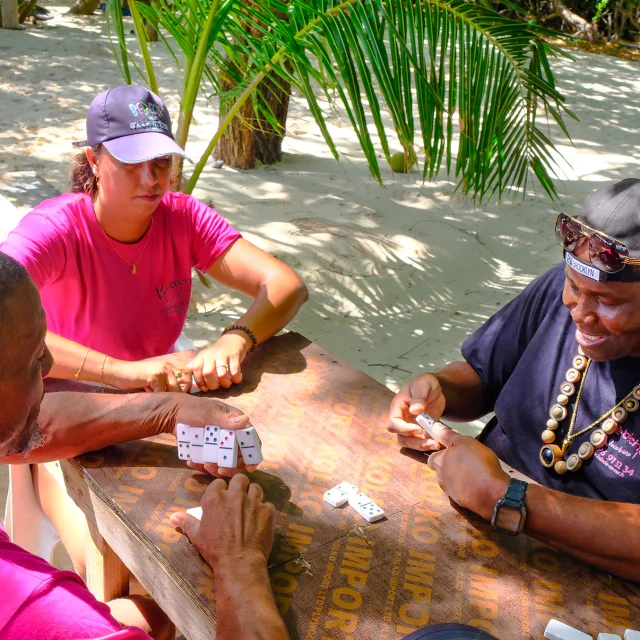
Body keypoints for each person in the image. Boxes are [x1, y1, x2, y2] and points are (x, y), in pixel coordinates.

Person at [0, 258, 495, 640]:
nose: (48, 364)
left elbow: (33, 424)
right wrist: (238, 563)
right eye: (30, 358)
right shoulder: (29, 603)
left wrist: (168, 411)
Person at [388, 178, 640, 582]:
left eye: (606, 302)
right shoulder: (561, 299)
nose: (578, 312)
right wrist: (436, 391)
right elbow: (482, 377)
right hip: (471, 523)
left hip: (590, 587)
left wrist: (504, 498)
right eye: (573, 286)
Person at [0, 84, 308, 395]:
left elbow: (286, 285)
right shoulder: (53, 229)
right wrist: (121, 372)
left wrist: (237, 339)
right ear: (94, 160)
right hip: (66, 398)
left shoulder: (185, 218)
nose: (151, 180)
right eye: (131, 162)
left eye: (161, 161)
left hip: (158, 394)